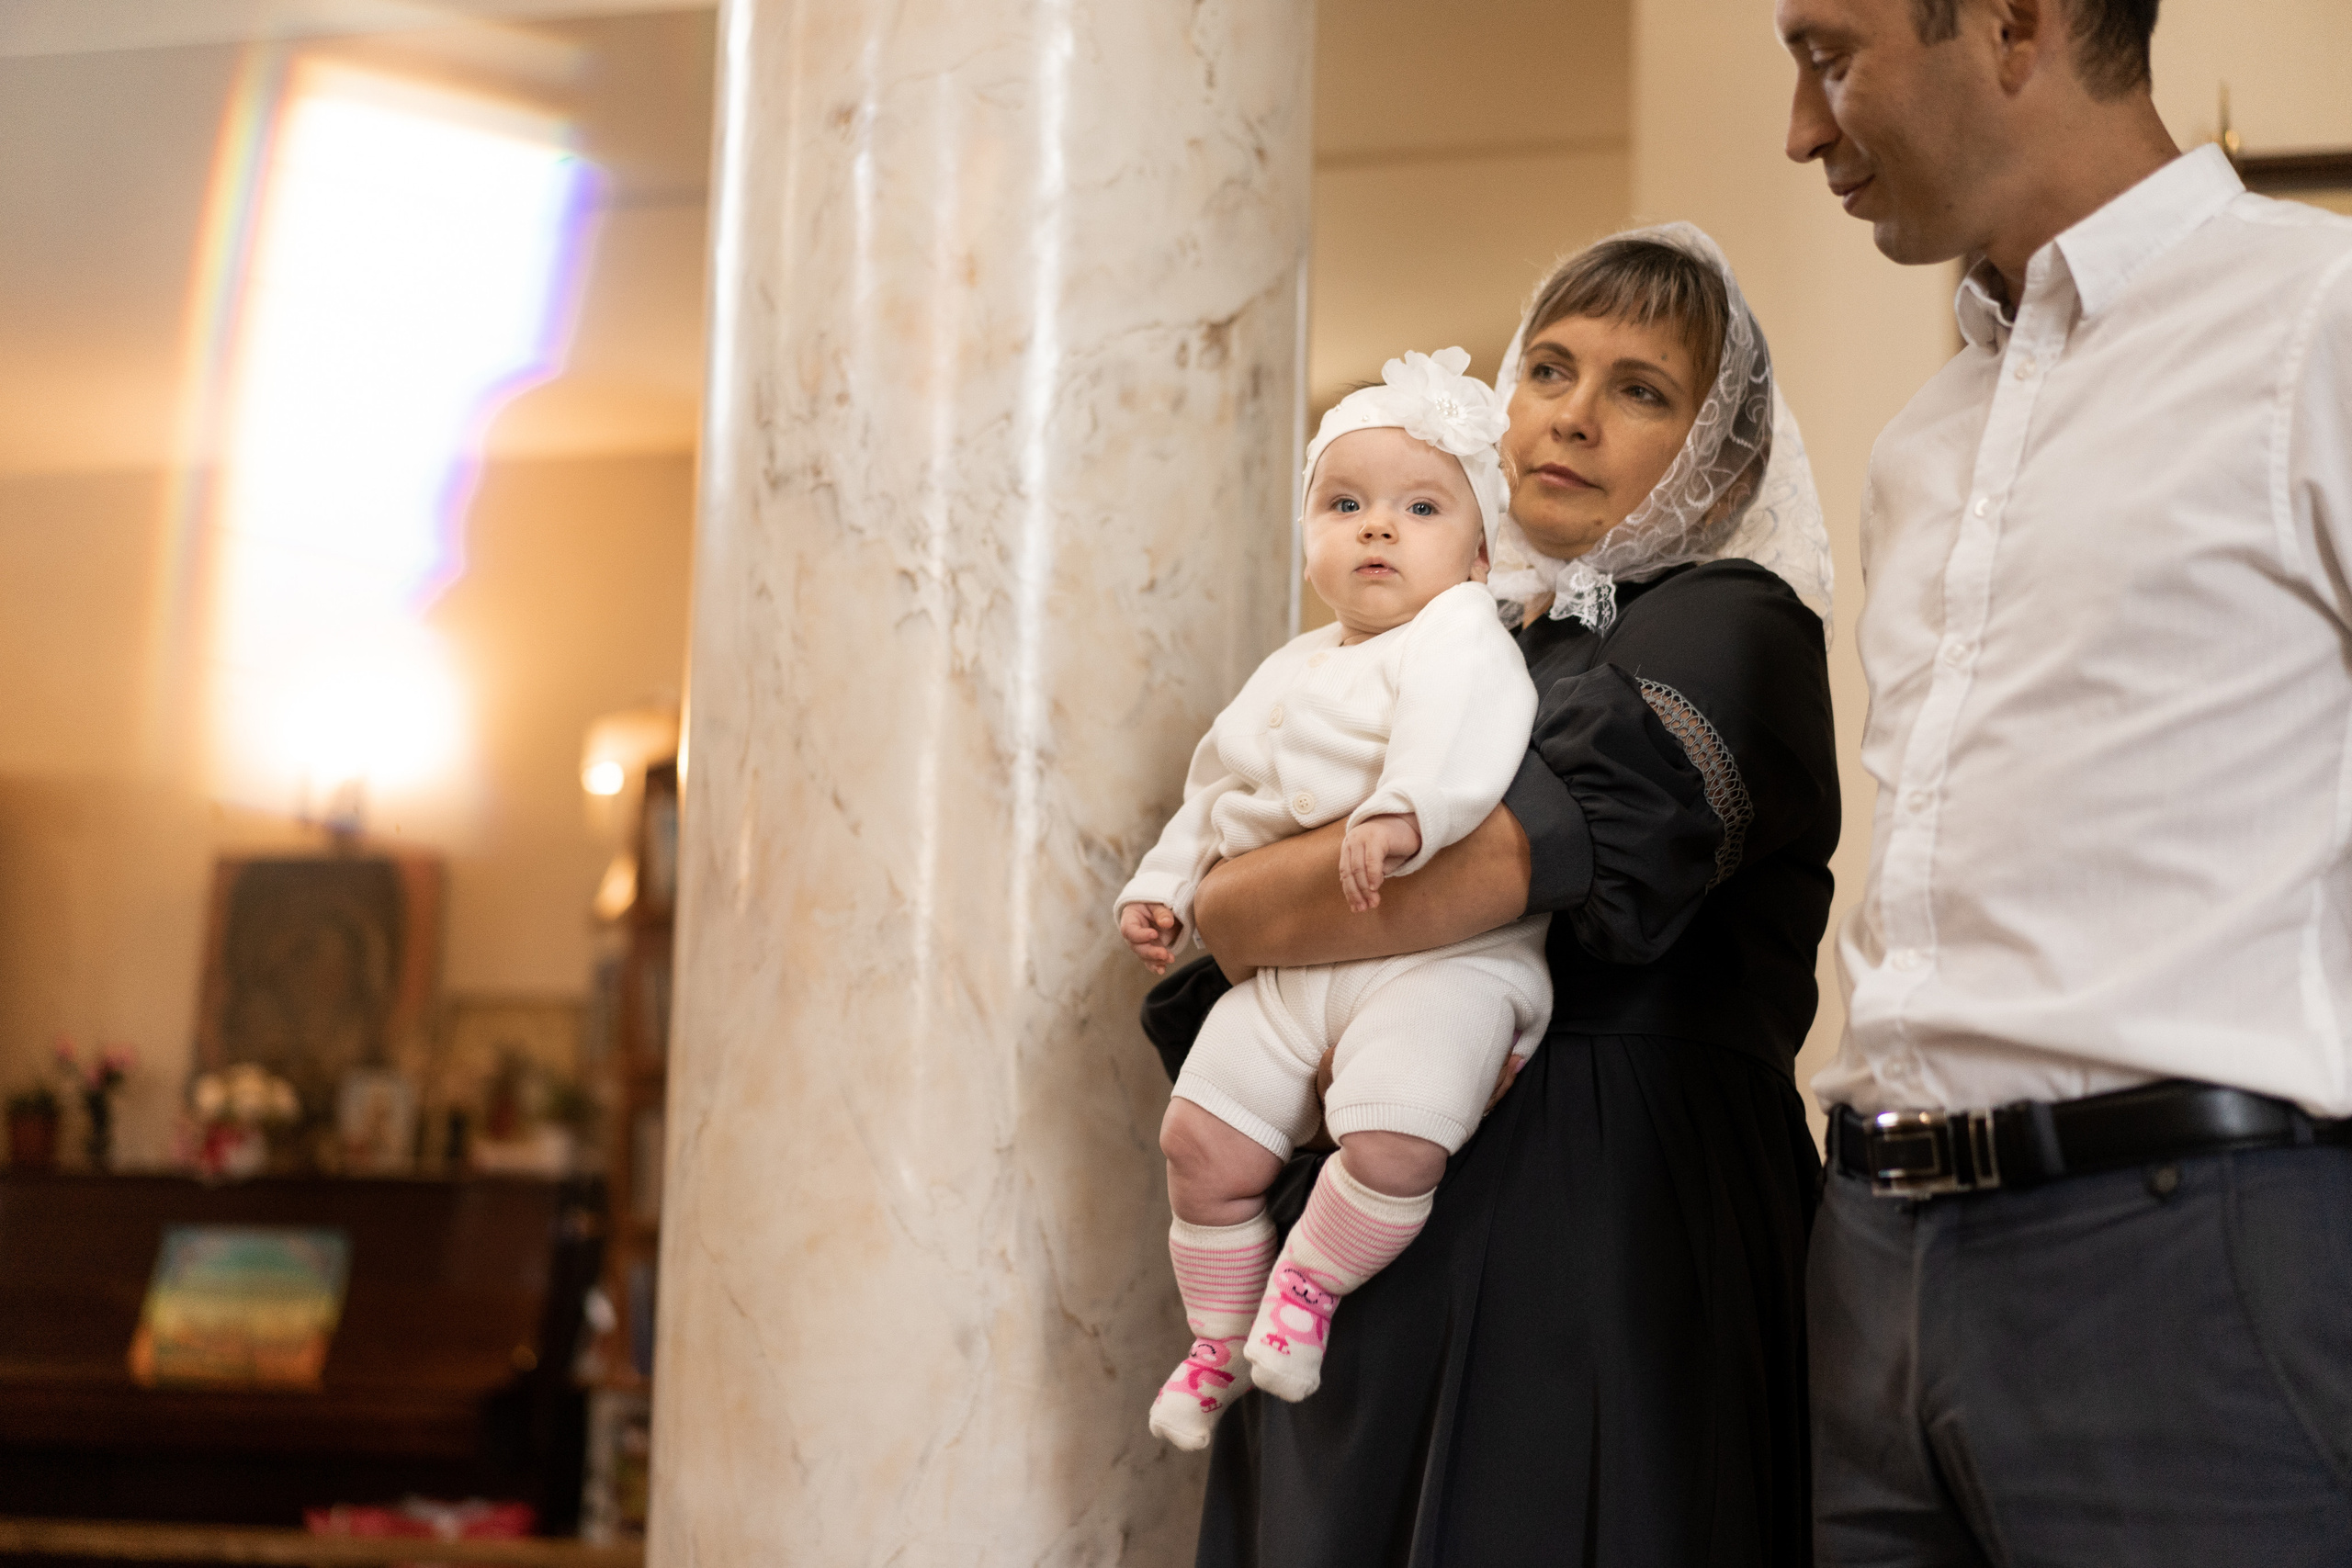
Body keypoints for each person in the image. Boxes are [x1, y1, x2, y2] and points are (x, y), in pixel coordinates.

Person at [1150, 224, 1838, 1564]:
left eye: (1641, 391)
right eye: (1550, 369)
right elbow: (1236, 855)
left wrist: (1238, 907)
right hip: (1387, 1206)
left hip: (1608, 1214)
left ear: (1723, 457)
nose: (1572, 416)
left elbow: (1494, 867)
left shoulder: (1731, 618)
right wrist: (1234, 899)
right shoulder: (1454, 631)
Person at [1779, 0, 2352, 1559]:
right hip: (1868, 1259)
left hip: (2196, 1262)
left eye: (1828, 57)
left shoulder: (2318, 321)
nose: (1802, 130)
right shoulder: (1922, 444)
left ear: (2014, 25)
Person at [1116, 347, 1554, 1451]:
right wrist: (1168, 883)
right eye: (1344, 505)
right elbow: (1218, 786)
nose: (1376, 529)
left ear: (1481, 554)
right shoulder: (1291, 664)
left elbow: (1463, 724)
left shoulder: (1458, 629)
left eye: (1420, 508)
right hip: (1299, 965)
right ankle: (1216, 1341)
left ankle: (1306, 1287)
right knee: (1198, 1144)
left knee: (1400, 1138)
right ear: (1307, 534)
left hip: (1436, 959)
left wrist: (1407, 811)